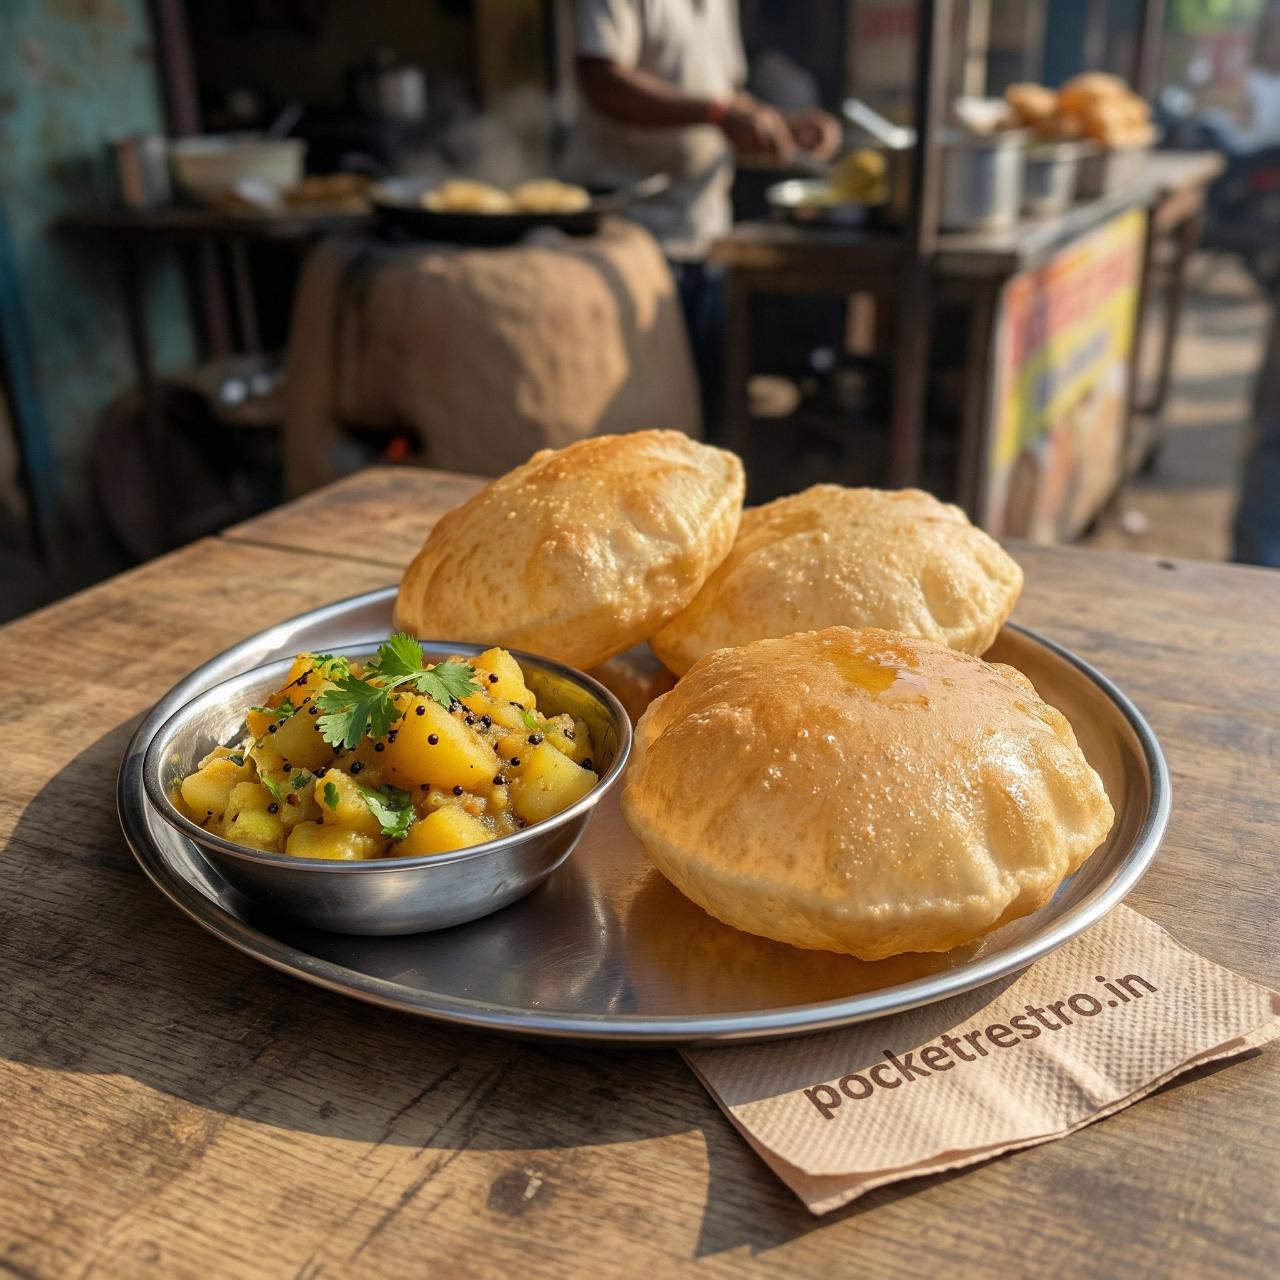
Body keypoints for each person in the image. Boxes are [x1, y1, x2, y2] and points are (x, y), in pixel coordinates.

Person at [562, 0, 840, 436]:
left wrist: (781, 123)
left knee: (703, 410)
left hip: (705, 233)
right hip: (633, 236)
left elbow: (724, 95)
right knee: (640, 421)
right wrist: (716, 114)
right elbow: (603, 80)